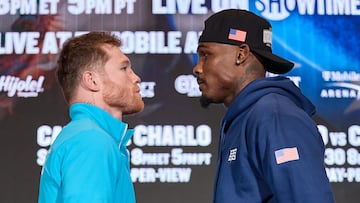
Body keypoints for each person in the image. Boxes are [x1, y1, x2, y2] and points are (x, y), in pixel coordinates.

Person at [193, 9, 334, 203]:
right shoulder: (245, 117)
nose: (197, 67)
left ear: (241, 54)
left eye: (205, 55)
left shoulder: (275, 116)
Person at [38, 31, 144, 203]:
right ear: (92, 80)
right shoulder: (91, 140)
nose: (136, 78)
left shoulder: (88, 136)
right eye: (124, 68)